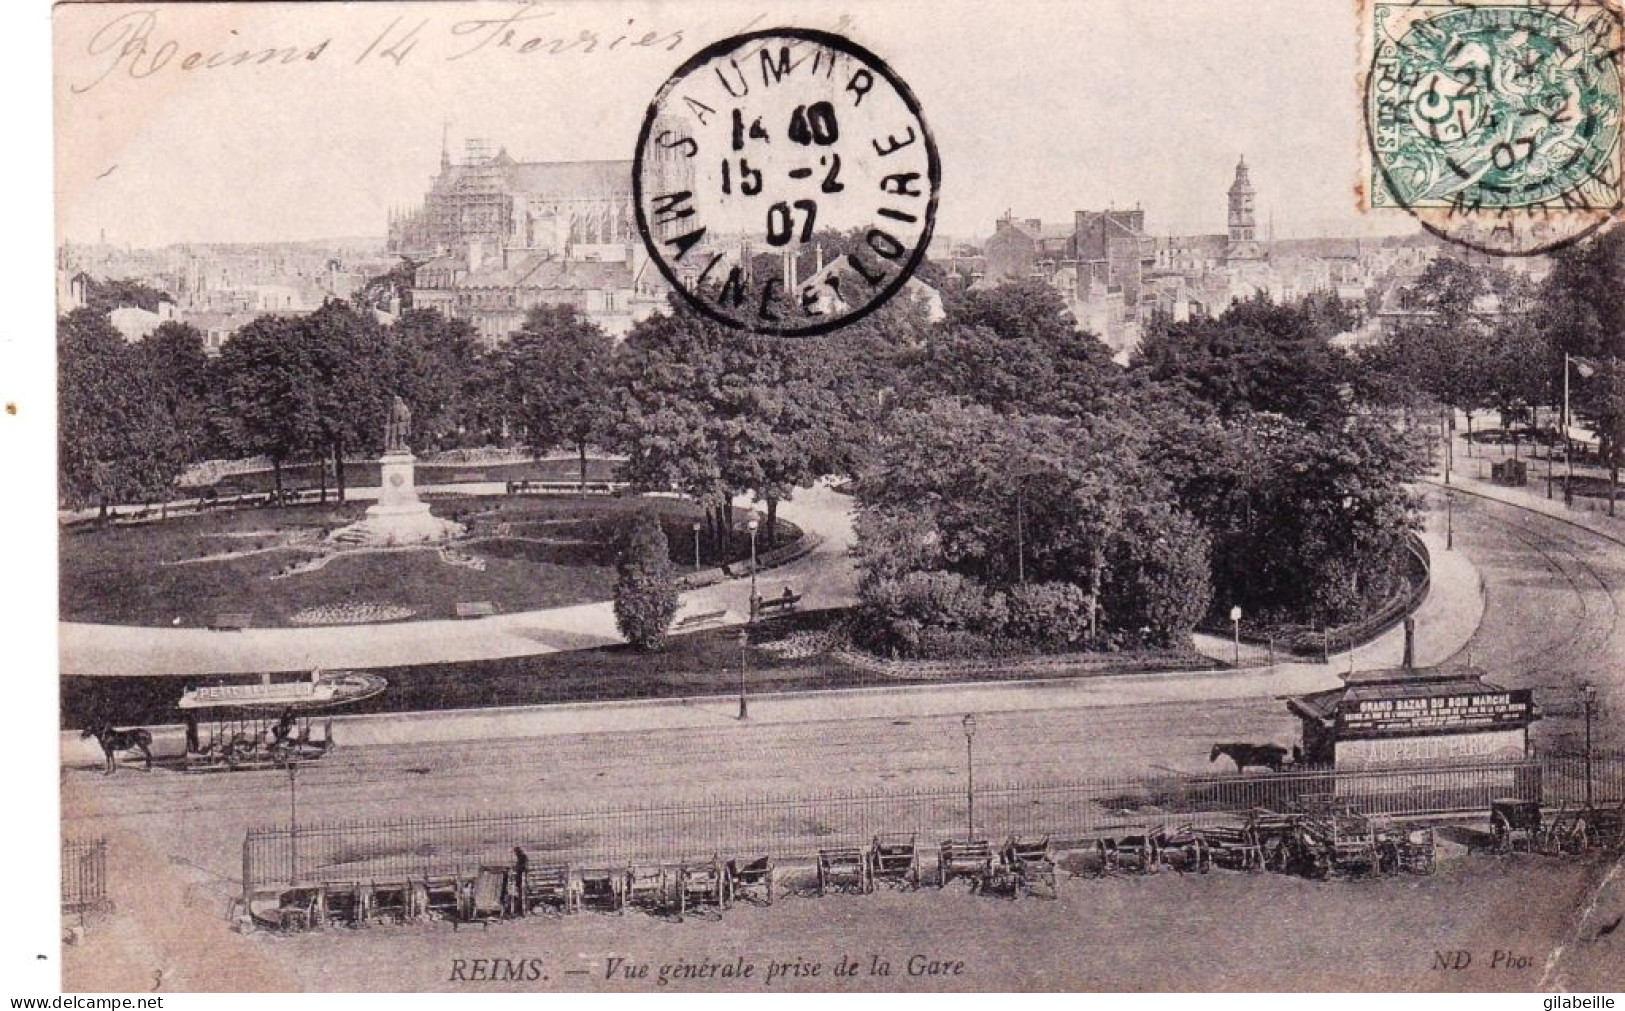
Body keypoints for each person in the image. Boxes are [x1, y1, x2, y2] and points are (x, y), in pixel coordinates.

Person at [512, 847, 529, 917]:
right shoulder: (523, 858)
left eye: (516, 853)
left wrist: (516, 868)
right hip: (521, 880)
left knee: (520, 894)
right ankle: (520, 909)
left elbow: (522, 868)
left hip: (521, 880)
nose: (515, 854)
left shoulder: (522, 858)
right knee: (520, 893)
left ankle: (520, 910)